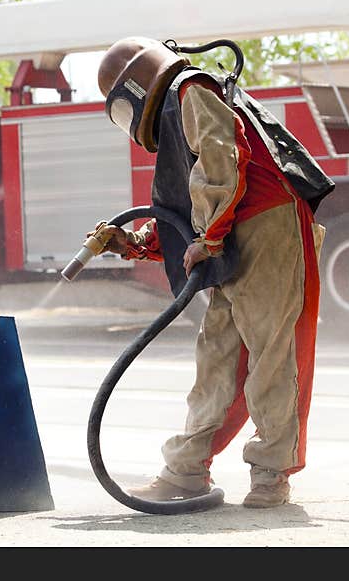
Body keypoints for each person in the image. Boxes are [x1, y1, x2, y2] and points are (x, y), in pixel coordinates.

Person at [95, 37, 334, 508]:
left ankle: (271, 473)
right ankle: (186, 470)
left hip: (267, 223)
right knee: (218, 356)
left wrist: (209, 237)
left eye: (125, 104)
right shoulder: (174, 113)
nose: (130, 119)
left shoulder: (190, 88)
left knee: (271, 351)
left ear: (139, 84)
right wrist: (138, 243)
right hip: (229, 233)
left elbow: (223, 160)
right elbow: (186, 205)